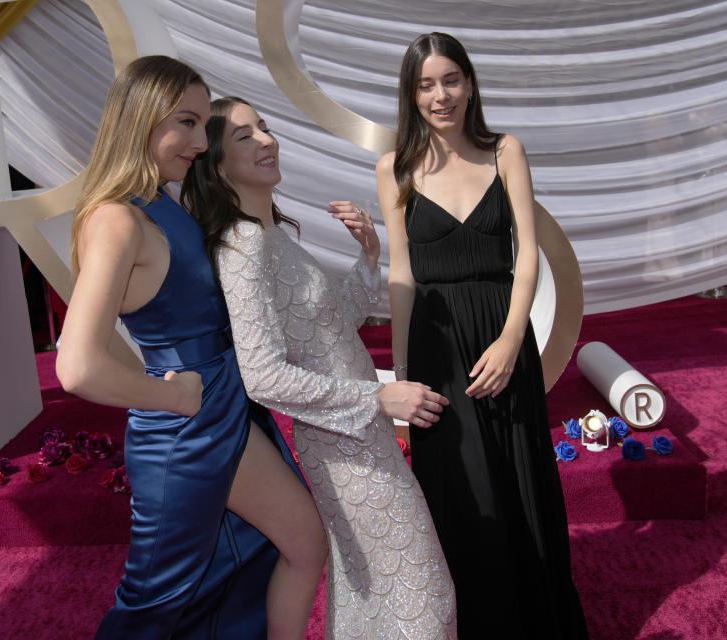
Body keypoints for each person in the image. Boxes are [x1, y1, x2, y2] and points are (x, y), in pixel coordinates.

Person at [55, 56, 325, 639]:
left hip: (220, 408)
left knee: (287, 547)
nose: (201, 142)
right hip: (186, 432)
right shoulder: (116, 220)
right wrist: (168, 395)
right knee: (157, 606)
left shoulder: (164, 204)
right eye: (187, 123)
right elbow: (76, 366)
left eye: (205, 126)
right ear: (142, 119)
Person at [182, 96, 457, 639]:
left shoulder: (270, 236)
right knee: (422, 591)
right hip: (341, 445)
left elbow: (333, 324)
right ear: (216, 164)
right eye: (244, 136)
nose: (266, 140)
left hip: (356, 437)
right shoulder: (242, 247)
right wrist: (378, 398)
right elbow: (262, 376)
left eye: (264, 127)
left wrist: (369, 257)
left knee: (377, 590)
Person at [376, 33, 589, 638]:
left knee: (521, 484)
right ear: (410, 94)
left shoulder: (506, 152)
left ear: (469, 84)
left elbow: (526, 257)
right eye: (425, 84)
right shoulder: (394, 169)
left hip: (504, 344)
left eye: (450, 80)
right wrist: (404, 372)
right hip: (437, 352)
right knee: (462, 495)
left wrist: (512, 339)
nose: (439, 95)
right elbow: (401, 273)